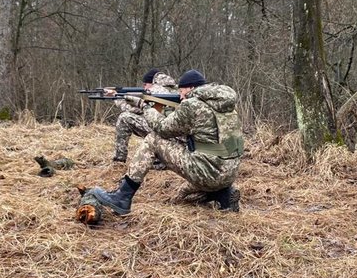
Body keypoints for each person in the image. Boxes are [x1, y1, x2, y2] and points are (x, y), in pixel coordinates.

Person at [92, 69, 244, 214]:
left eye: (182, 91)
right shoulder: (226, 105)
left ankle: (122, 196)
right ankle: (224, 195)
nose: (180, 95)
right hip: (228, 173)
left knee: (153, 139)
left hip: (207, 172)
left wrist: (143, 106)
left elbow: (162, 129)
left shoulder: (192, 105)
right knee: (182, 195)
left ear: (190, 88)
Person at [112, 68, 177, 162]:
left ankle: (119, 159)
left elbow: (138, 111)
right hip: (176, 137)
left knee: (124, 117)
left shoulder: (157, 91)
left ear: (153, 83)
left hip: (165, 133)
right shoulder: (176, 90)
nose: (145, 88)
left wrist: (117, 98)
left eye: (146, 84)